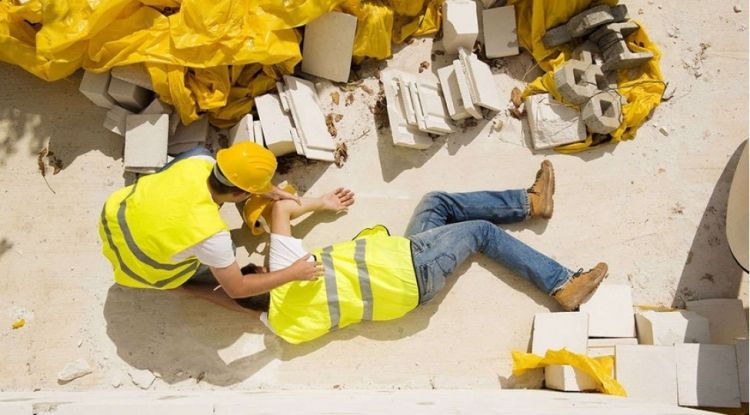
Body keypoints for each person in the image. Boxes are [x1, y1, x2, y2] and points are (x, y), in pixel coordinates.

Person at [236, 160, 608, 344]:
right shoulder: (283, 268)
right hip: (409, 266)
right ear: (262, 275)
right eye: (256, 266)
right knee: (480, 232)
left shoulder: (282, 327)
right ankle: (562, 284)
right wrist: (320, 202)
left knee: (436, 204)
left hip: (404, 284)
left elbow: (237, 300)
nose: (260, 261)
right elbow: (280, 210)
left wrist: (196, 290)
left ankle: (531, 202)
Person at [98, 142, 324, 298]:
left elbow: (230, 174)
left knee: (193, 152)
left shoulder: (198, 160)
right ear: (239, 195)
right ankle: (184, 283)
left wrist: (268, 190)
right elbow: (237, 288)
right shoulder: (211, 234)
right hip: (142, 269)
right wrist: (293, 273)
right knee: (228, 253)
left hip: (113, 220)